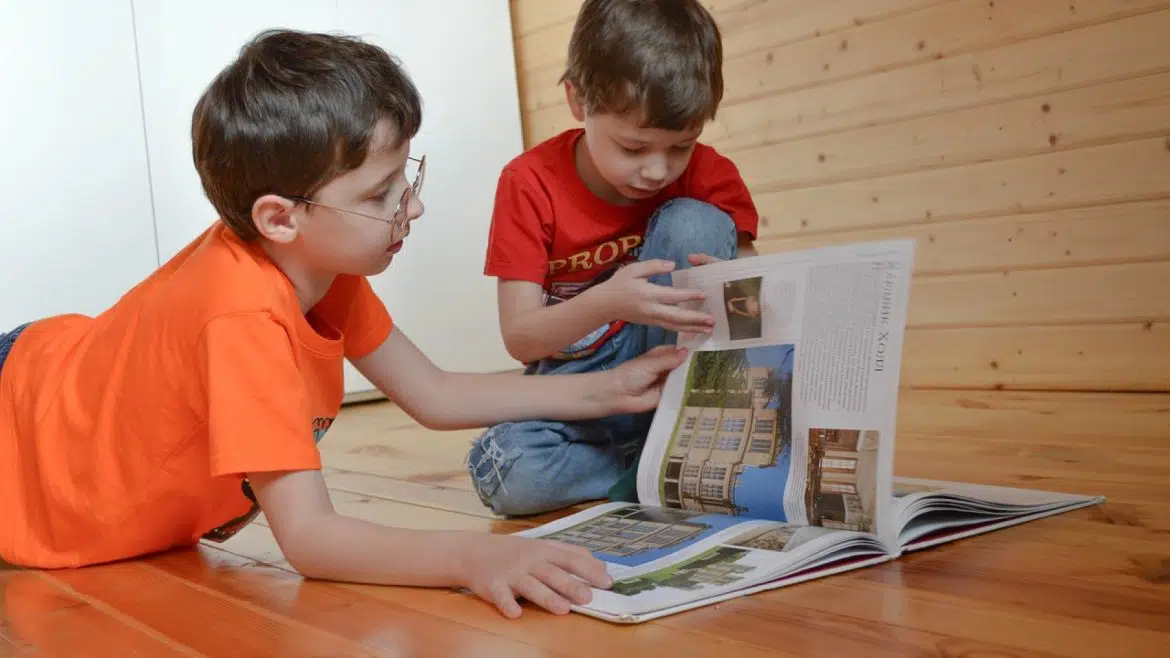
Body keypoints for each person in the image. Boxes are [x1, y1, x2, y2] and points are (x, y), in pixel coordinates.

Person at [0, 29, 691, 620]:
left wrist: (606, 389)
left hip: (51, 369)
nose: (411, 209)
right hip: (19, 432)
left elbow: (434, 393)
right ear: (281, 216)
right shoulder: (243, 314)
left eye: (405, 178)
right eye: (380, 194)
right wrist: (473, 554)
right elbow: (311, 539)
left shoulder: (317, 265)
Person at [467, 0, 760, 517]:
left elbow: (759, 301)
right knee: (507, 469)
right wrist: (610, 300)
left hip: (678, 380)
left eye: (681, 147)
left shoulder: (710, 175)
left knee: (693, 220)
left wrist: (737, 285)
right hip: (579, 390)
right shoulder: (529, 182)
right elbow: (521, 338)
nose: (657, 169)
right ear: (577, 101)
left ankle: (670, 445)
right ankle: (657, 462)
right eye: (633, 147)